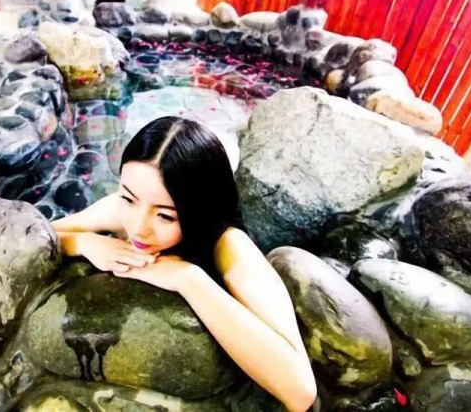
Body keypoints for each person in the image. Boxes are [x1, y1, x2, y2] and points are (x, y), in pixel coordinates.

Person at [51, 116, 317, 411]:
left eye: (165, 216)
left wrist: (188, 278)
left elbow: (300, 392)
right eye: (128, 198)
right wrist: (85, 243)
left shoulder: (231, 248)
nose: (138, 227)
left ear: (199, 213)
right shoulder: (132, 207)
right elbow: (37, 234)